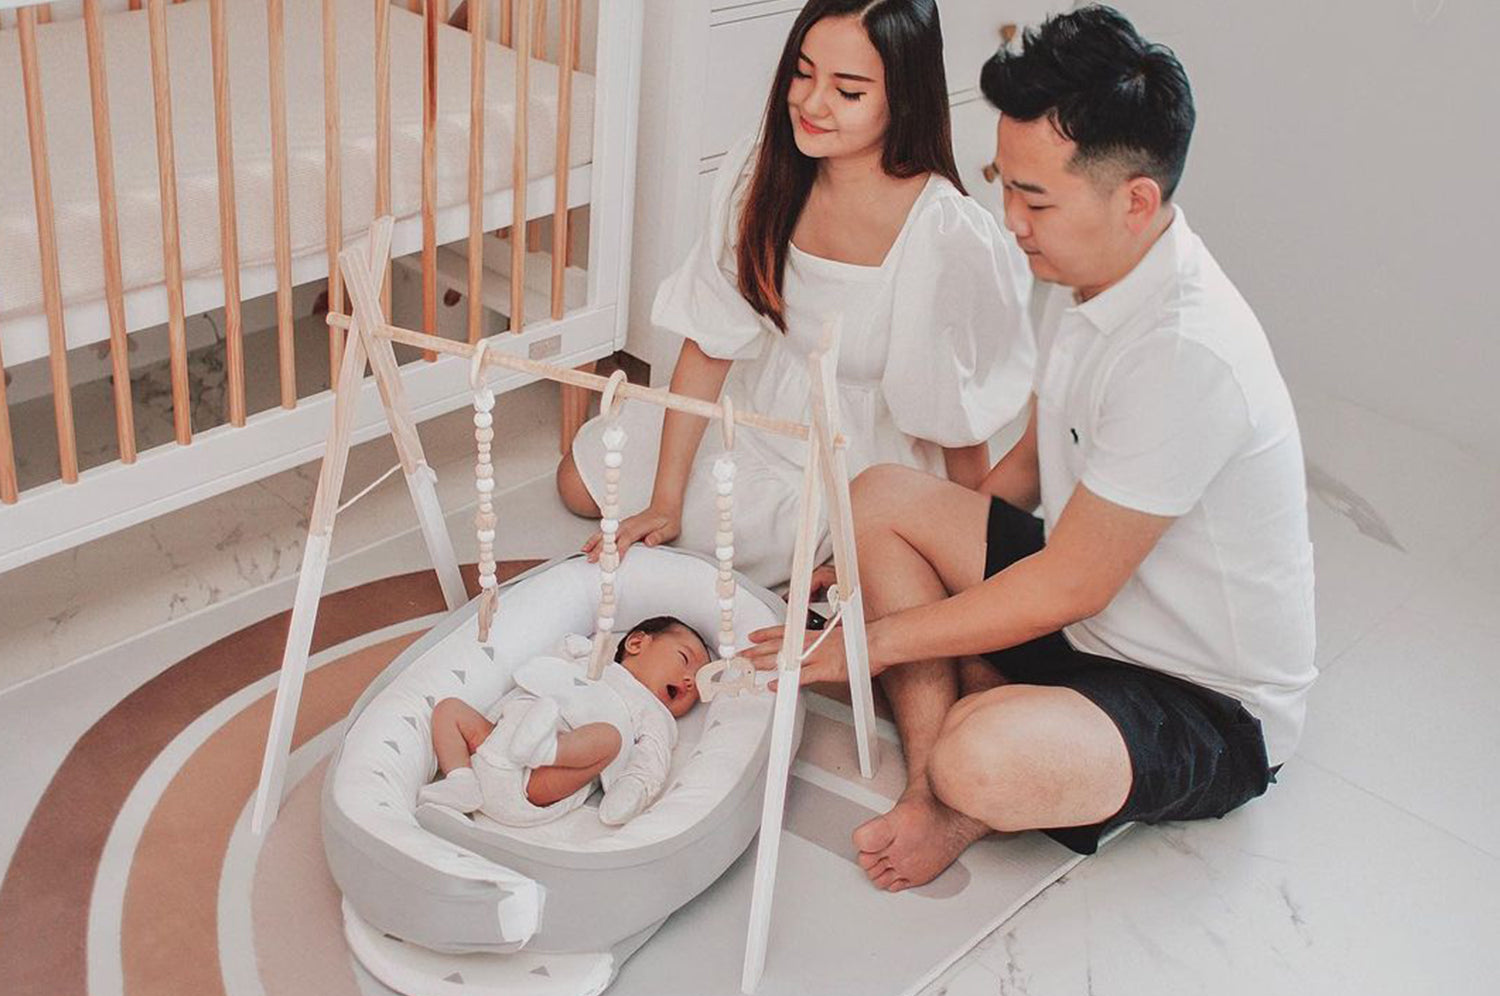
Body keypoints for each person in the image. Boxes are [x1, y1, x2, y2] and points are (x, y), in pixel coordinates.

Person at [745, 5, 1317, 890]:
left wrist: (870, 643)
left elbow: (1069, 581)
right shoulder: (1089, 274)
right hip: (1085, 613)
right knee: (878, 496)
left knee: (984, 758)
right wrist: (871, 556)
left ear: (1136, 200)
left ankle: (961, 765)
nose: (1010, 219)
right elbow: (1030, 471)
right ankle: (932, 774)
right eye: (1003, 185)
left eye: (1034, 197)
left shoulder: (1185, 355)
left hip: (1197, 698)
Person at [557, 0, 1034, 589]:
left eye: (848, 92)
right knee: (580, 484)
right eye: (803, 73)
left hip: (855, 452)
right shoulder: (766, 171)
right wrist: (665, 499)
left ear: (902, 99)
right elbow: (712, 341)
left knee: (717, 553)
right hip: (761, 401)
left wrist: (962, 536)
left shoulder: (942, 231)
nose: (810, 103)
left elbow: (955, 416)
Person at [417, 617, 710, 827]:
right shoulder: (590, 661)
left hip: (539, 783)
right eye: (685, 659)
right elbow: (550, 663)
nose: (689, 680)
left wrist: (634, 787)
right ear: (636, 643)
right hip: (489, 743)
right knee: (449, 709)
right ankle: (460, 780)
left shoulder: (653, 712)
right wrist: (571, 649)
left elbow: (652, 759)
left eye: (696, 684)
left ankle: (549, 748)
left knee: (609, 739)